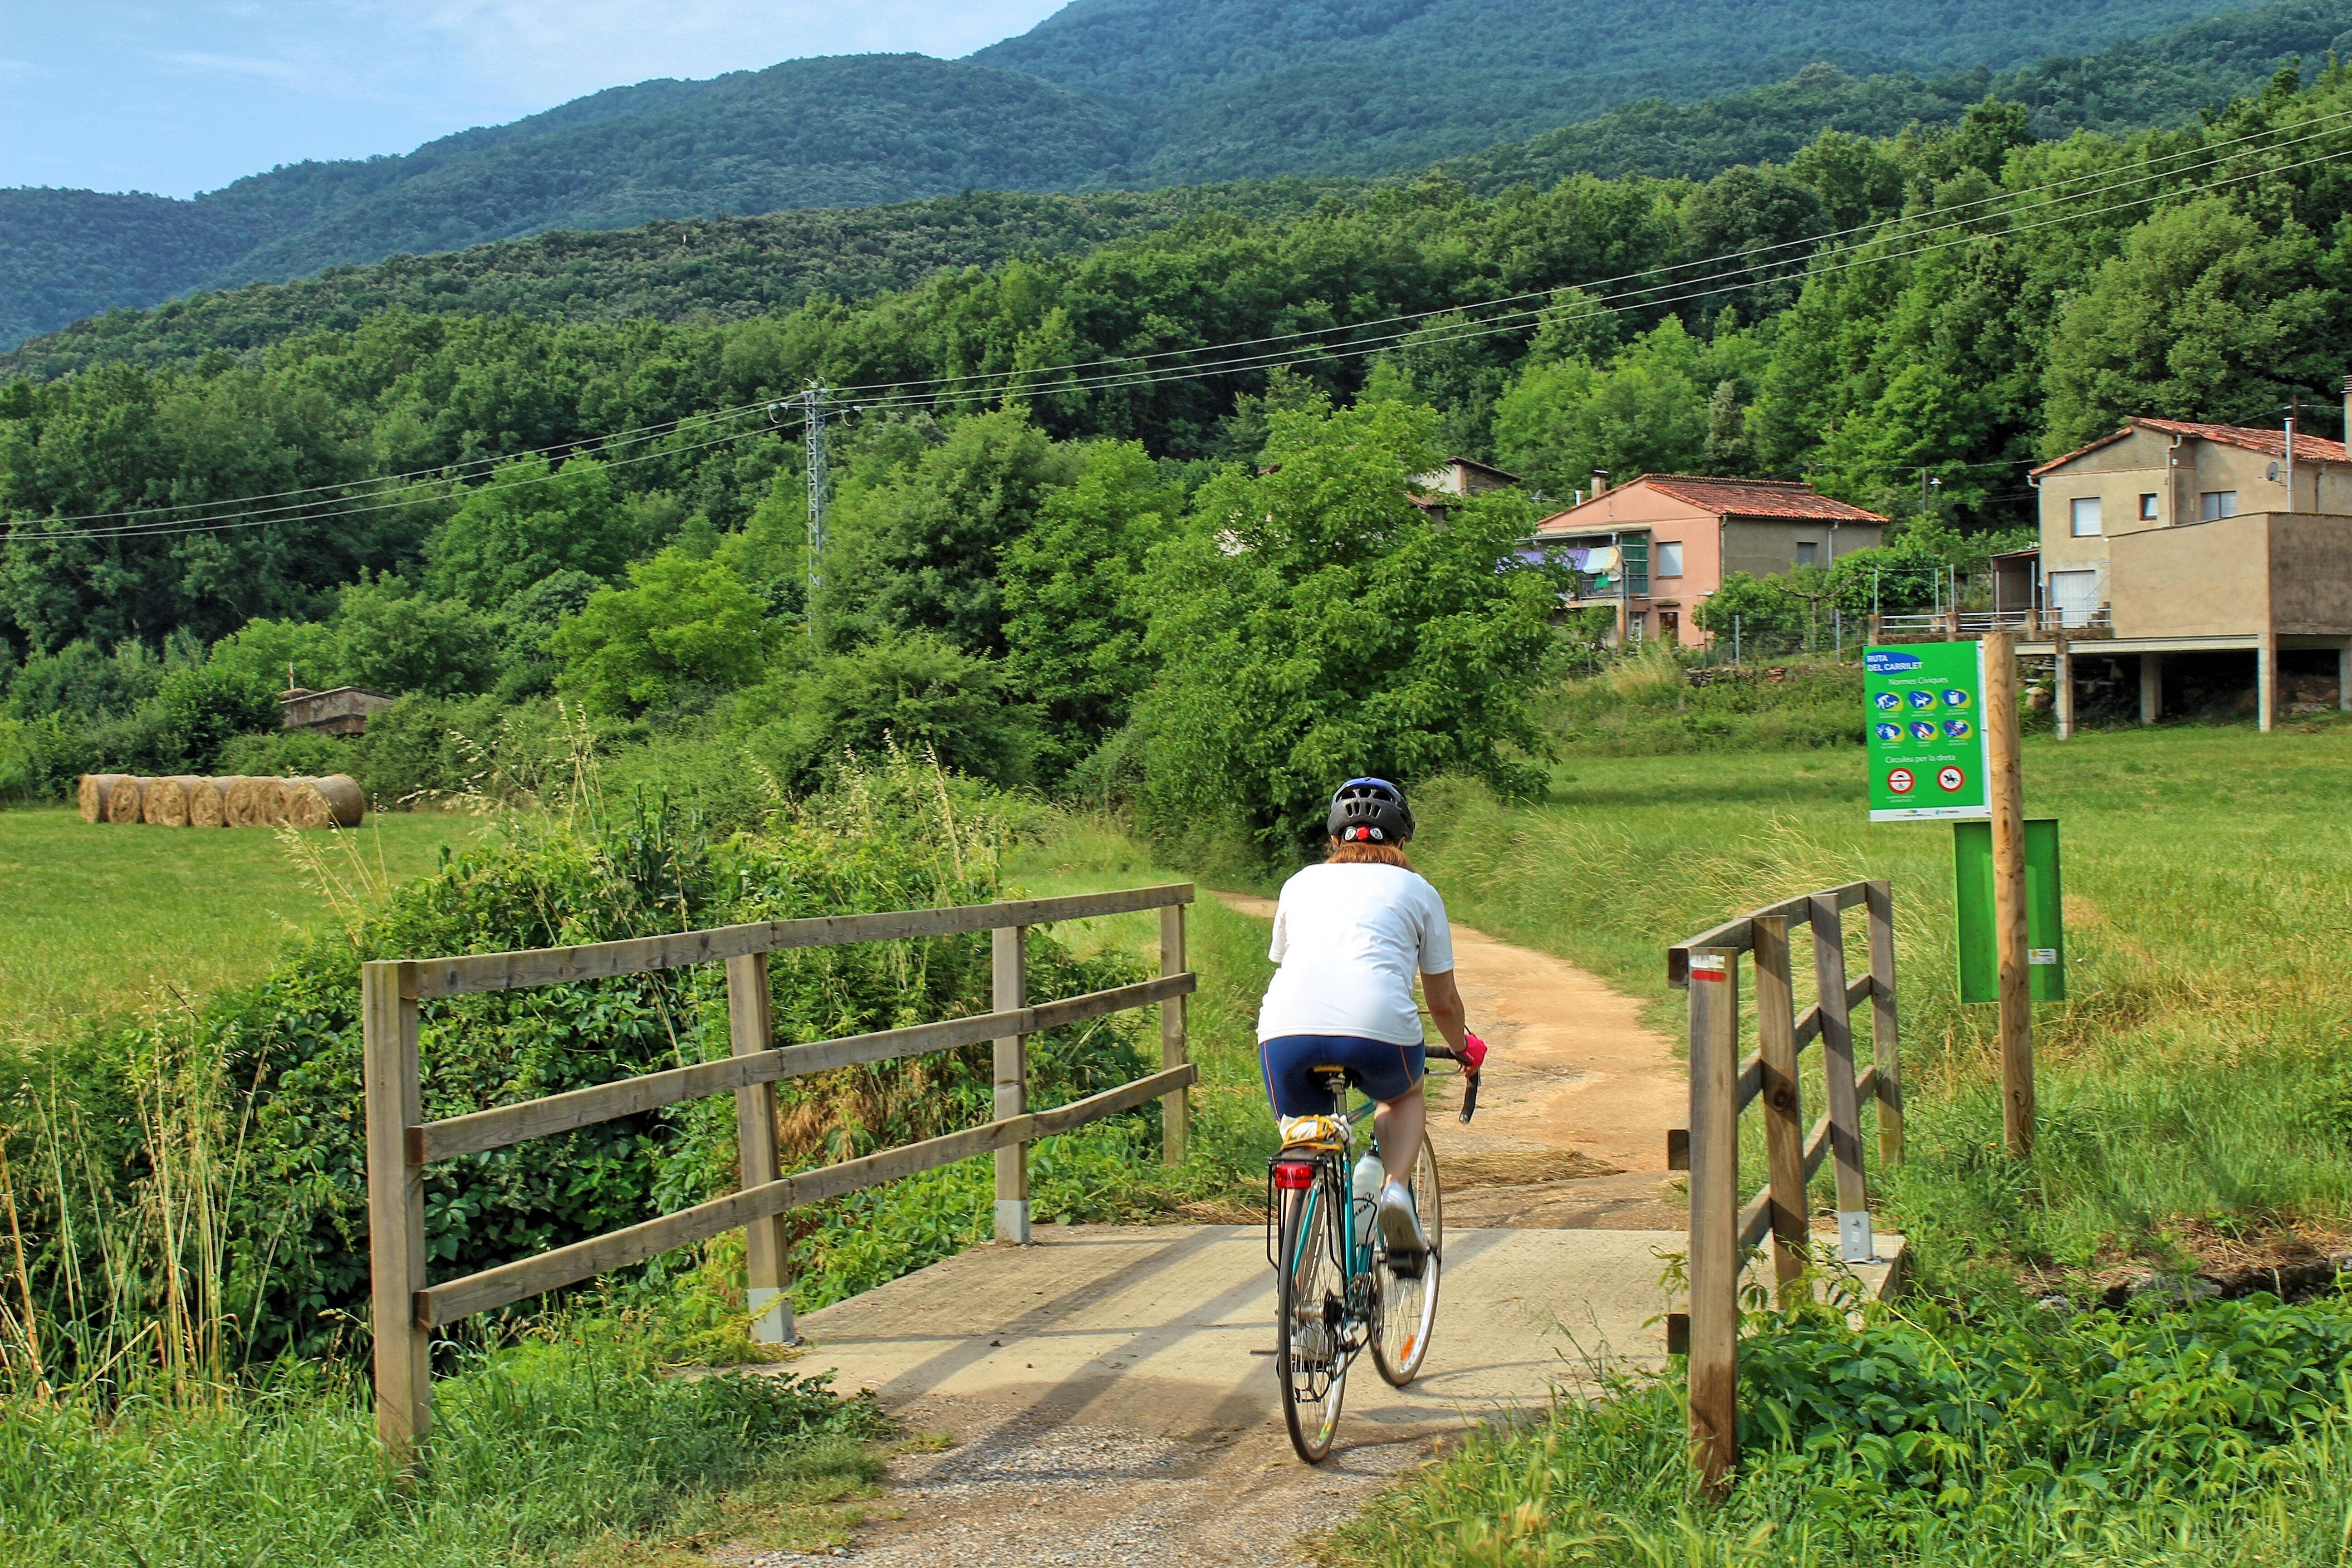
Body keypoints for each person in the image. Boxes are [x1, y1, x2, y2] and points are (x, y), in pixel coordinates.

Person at [1257, 777, 1471, 1264]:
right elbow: (1443, 1003)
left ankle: (1295, 1298)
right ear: (1401, 841)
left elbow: (1290, 961)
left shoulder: (1300, 883)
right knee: (1402, 1096)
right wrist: (1462, 1047)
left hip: (1285, 1031)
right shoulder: (1419, 891)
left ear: (1334, 840)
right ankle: (1395, 1188)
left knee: (1302, 1137)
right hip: (1378, 1029)